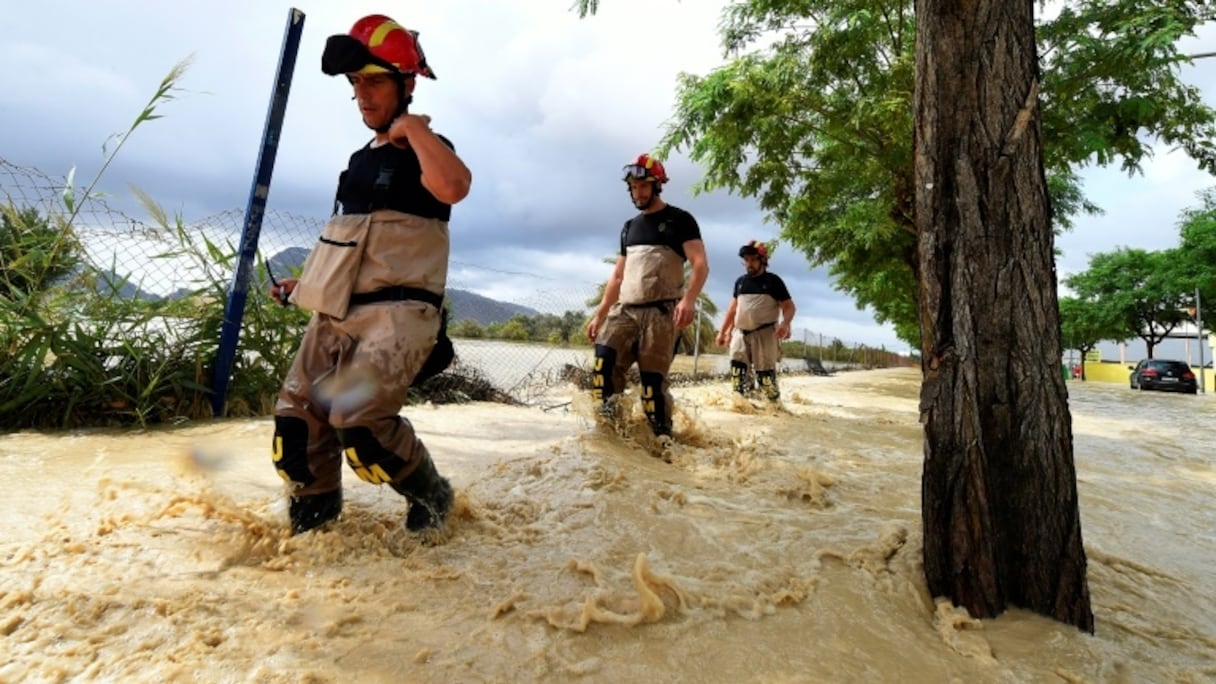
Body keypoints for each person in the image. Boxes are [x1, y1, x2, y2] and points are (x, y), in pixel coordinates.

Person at [267, 14, 472, 536]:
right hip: (338, 311)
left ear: (407, 84)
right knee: (295, 423)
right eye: (356, 83)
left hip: (398, 314)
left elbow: (454, 187)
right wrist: (304, 283)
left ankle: (434, 496)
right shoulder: (358, 161)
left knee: (358, 425)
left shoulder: (427, 147)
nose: (362, 94)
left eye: (375, 80)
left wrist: (417, 131)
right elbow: (347, 241)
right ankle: (316, 531)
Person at [585, 154, 709, 438]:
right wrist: (600, 313)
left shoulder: (680, 220)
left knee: (652, 387)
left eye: (643, 187)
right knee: (603, 363)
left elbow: (700, 264)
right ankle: (610, 435)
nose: (637, 193)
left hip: (661, 314)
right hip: (625, 311)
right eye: (633, 188)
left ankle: (662, 444)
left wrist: (688, 299)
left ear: (657, 185)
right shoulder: (629, 227)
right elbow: (617, 276)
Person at [715, 240, 796, 401]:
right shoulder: (740, 282)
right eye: (746, 260)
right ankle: (741, 405)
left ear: (763, 260)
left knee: (765, 376)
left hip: (765, 334)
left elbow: (789, 307)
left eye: (752, 259)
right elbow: (732, 309)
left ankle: (774, 407)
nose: (748, 264)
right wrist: (723, 331)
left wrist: (785, 324)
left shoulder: (774, 282)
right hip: (740, 333)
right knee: (737, 372)